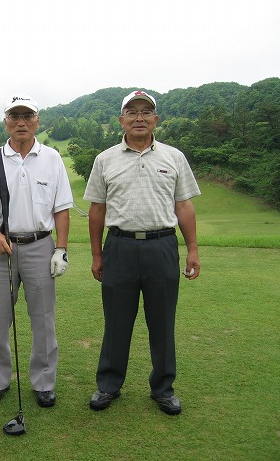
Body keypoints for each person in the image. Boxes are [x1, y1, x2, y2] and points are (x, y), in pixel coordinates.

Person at [84, 90, 201, 415]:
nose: (139, 118)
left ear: (155, 119)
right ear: (121, 120)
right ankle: (108, 385)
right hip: (118, 247)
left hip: (162, 246)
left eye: (146, 112)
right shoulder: (105, 159)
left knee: (162, 322)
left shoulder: (173, 157)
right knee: (116, 321)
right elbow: (97, 209)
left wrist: (192, 249)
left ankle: (163, 388)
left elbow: (183, 206)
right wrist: (97, 255)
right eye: (132, 112)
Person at [0, 94, 73, 408]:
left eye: (27, 116)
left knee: (43, 320)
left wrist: (61, 249)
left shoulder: (52, 158)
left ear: (37, 121)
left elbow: (62, 209)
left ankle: (43, 383)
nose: (21, 122)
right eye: (14, 117)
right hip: (2, 248)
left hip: (41, 246)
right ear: (6, 122)